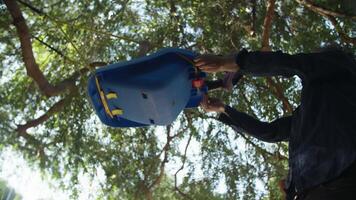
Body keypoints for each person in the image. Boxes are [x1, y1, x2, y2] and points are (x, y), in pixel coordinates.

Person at [195, 48, 356, 200]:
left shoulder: (337, 62)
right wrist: (224, 109)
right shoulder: (307, 117)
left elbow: (288, 63)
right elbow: (269, 132)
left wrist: (229, 62)